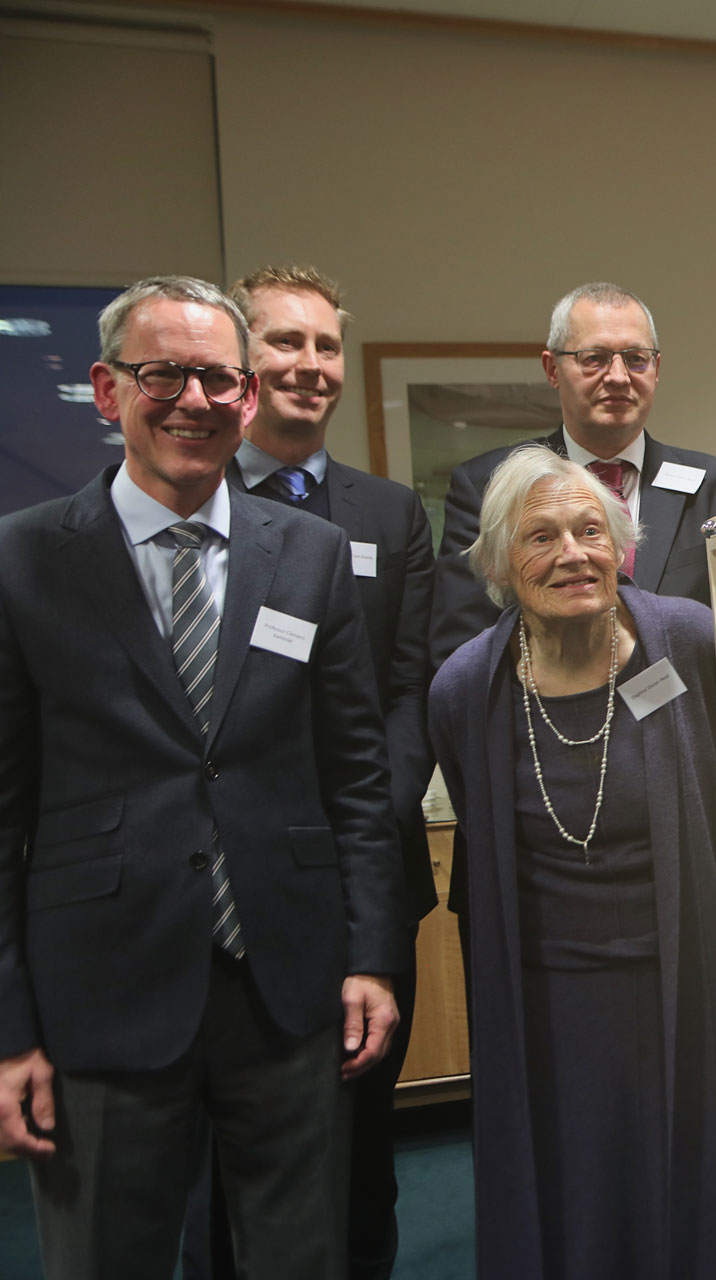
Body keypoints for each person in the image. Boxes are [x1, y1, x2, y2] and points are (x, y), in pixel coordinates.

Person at [0, 275, 410, 1278]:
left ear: (249, 393)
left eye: (219, 377)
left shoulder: (309, 555)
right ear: (107, 390)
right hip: (101, 987)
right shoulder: (22, 561)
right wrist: (9, 1029)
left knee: (299, 1255)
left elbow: (355, 774)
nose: (195, 398)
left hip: (287, 983)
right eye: (163, 373)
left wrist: (371, 953)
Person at [427, 447, 716, 1279]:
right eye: (540, 537)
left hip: (692, 989)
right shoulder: (462, 690)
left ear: (621, 545)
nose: (572, 555)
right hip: (550, 1008)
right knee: (575, 1204)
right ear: (495, 564)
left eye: (591, 530)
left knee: (708, 1197)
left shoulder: (690, 643)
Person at [177, 266, 436, 1280]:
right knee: (226, 1160)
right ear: (243, 365)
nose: (309, 365)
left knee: (365, 1153)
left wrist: (361, 819)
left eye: (325, 346)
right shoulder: (192, 503)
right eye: (284, 343)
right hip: (224, 891)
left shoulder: (387, 514)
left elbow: (406, 690)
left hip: (367, 880)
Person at [429, 281, 716, 666]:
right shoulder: (487, 486)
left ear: (656, 369)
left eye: (636, 358)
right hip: (540, 718)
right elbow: (463, 647)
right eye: (595, 358)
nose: (618, 376)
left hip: (682, 720)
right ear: (553, 369)